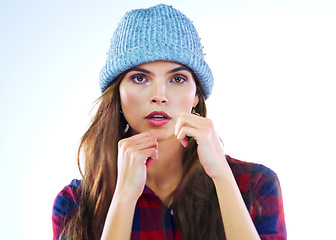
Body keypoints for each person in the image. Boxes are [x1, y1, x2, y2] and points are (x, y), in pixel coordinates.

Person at [52, 4, 286, 240]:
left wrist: (222, 178)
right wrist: (124, 197)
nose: (159, 95)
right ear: (118, 93)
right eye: (140, 78)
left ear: (197, 94)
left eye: (177, 78)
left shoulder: (255, 185)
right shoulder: (75, 203)